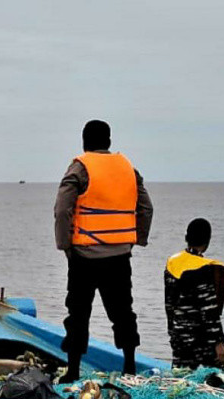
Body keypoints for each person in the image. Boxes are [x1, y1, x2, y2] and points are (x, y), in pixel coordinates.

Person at [54, 120, 153, 382]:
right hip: (119, 257)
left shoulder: (79, 167)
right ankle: (129, 367)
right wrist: (135, 240)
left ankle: (73, 371)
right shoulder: (128, 169)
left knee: (77, 314)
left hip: (84, 257)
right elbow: (146, 208)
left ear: (84, 142)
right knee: (123, 312)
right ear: (108, 141)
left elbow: (62, 209)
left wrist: (65, 246)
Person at [164, 218, 224, 394]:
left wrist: (173, 332)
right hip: (201, 338)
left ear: (186, 237)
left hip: (179, 335)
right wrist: (218, 343)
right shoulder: (203, 270)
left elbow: (169, 303)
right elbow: (209, 311)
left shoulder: (172, 263)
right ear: (207, 241)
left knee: (179, 376)